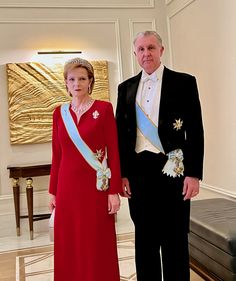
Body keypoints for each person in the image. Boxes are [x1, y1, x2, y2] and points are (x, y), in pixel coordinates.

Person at [115, 30, 204, 281]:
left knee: (175, 237)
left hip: (173, 170)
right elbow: (121, 135)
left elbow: (196, 131)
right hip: (138, 173)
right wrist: (122, 174)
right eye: (141, 49)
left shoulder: (184, 82)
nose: (146, 54)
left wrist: (194, 174)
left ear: (161, 51)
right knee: (145, 239)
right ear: (135, 54)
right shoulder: (125, 88)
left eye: (151, 48)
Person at [48, 57, 122, 281]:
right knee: (69, 241)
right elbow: (57, 155)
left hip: (95, 189)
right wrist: (53, 191)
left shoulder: (104, 109)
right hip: (67, 188)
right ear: (66, 83)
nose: (77, 83)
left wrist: (114, 191)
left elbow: (114, 152)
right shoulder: (59, 113)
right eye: (72, 79)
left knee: (95, 241)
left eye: (82, 78)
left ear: (90, 81)